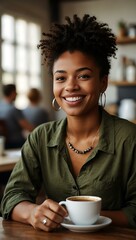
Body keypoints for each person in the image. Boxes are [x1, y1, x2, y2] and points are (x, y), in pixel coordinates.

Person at [1, 14, 136, 231]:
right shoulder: (40, 137)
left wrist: (85, 216)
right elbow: (12, 196)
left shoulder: (129, 138)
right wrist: (32, 213)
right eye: (61, 78)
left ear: (103, 82)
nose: (70, 86)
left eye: (83, 76)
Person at [0, 84, 34, 148]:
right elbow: (28, 127)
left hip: (3, 143)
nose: (17, 94)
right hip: (16, 142)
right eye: (16, 92)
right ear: (12, 93)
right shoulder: (14, 109)